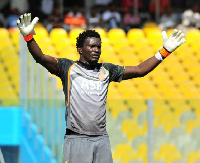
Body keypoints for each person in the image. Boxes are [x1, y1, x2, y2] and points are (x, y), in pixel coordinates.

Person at [16, 13, 186, 163]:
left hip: (102, 139)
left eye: (98, 47)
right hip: (77, 139)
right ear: (80, 49)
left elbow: (140, 70)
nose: (96, 50)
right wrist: (29, 37)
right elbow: (41, 58)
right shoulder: (67, 68)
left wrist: (164, 52)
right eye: (92, 46)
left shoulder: (107, 70)